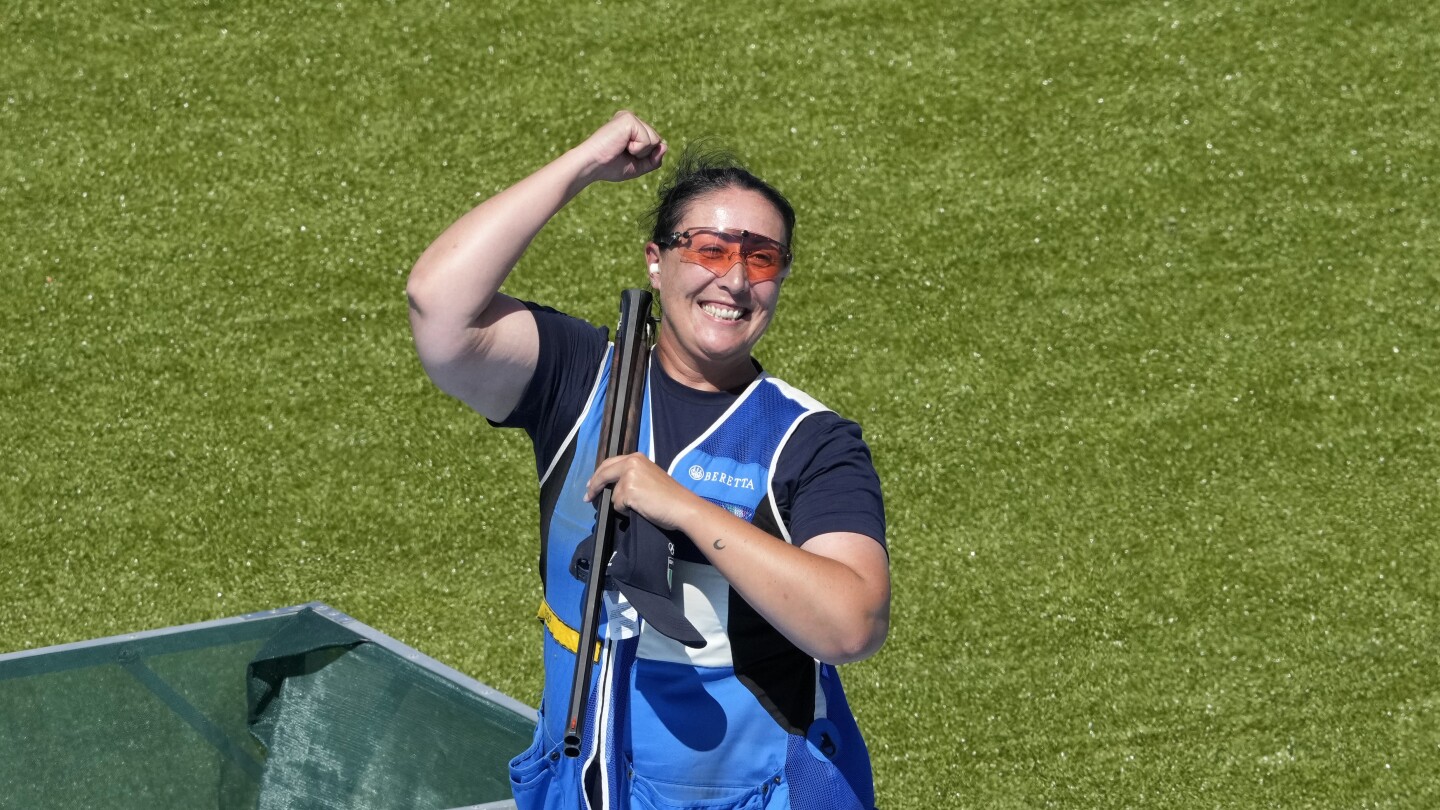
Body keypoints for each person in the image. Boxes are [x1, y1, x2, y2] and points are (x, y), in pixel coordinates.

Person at [407, 110, 890, 810]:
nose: (735, 280)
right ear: (656, 260)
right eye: (709, 249)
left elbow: (852, 625)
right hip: (586, 787)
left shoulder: (809, 440)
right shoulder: (580, 380)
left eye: (762, 259)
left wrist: (686, 510)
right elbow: (438, 303)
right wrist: (583, 164)